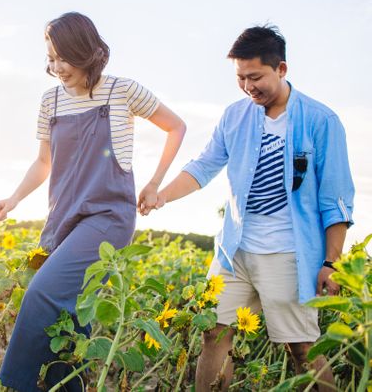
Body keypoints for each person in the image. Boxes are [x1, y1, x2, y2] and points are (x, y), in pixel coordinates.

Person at [147, 25, 355, 391]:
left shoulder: (321, 121)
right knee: (213, 333)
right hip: (235, 250)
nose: (248, 86)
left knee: (303, 347)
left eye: (255, 77)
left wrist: (331, 262)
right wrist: (161, 194)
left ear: (282, 69)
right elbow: (204, 165)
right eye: (241, 78)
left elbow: (336, 201)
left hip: (289, 252)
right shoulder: (235, 116)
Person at [0, 12, 186, 391]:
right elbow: (44, 162)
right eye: (49, 58)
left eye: (62, 57)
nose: (55, 67)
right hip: (63, 215)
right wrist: (13, 199)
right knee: (68, 319)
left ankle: (16, 385)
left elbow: (176, 126)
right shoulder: (50, 101)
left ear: (85, 51)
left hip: (109, 216)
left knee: (41, 294)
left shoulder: (122, 91)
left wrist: (154, 183)